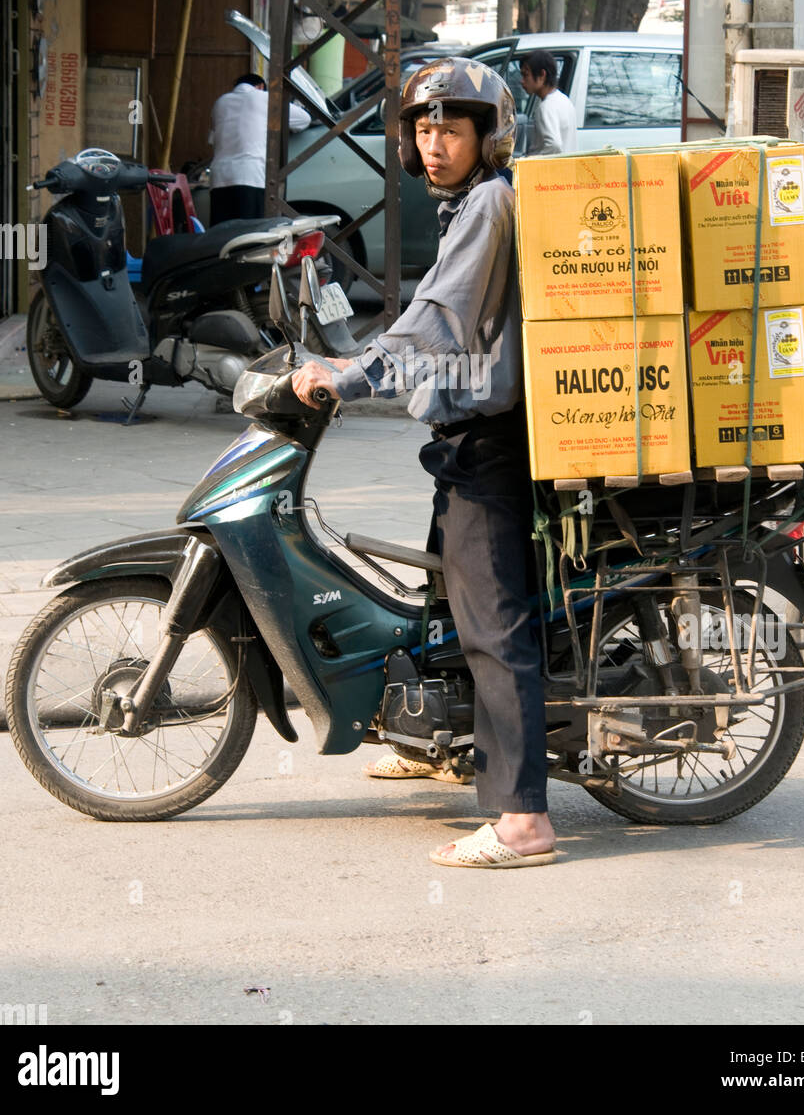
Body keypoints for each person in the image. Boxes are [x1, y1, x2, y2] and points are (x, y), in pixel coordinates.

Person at [290, 58, 557, 869]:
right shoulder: (465, 204)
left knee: (492, 623)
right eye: (423, 127)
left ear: (488, 136)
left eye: (451, 127)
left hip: (495, 439)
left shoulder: (490, 204)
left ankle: (524, 822)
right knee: (442, 599)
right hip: (464, 436)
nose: (433, 142)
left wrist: (354, 375)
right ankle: (437, 740)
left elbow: (438, 319)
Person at [208, 73, 311, 224]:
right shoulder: (264, 98)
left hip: (219, 178)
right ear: (261, 87)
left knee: (221, 235)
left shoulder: (220, 103)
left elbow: (213, 140)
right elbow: (304, 119)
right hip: (250, 176)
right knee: (249, 237)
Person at [519, 50, 577, 156]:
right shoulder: (564, 100)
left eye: (525, 75)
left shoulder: (546, 107)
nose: (522, 81)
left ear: (542, 75)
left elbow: (554, 145)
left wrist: (530, 161)